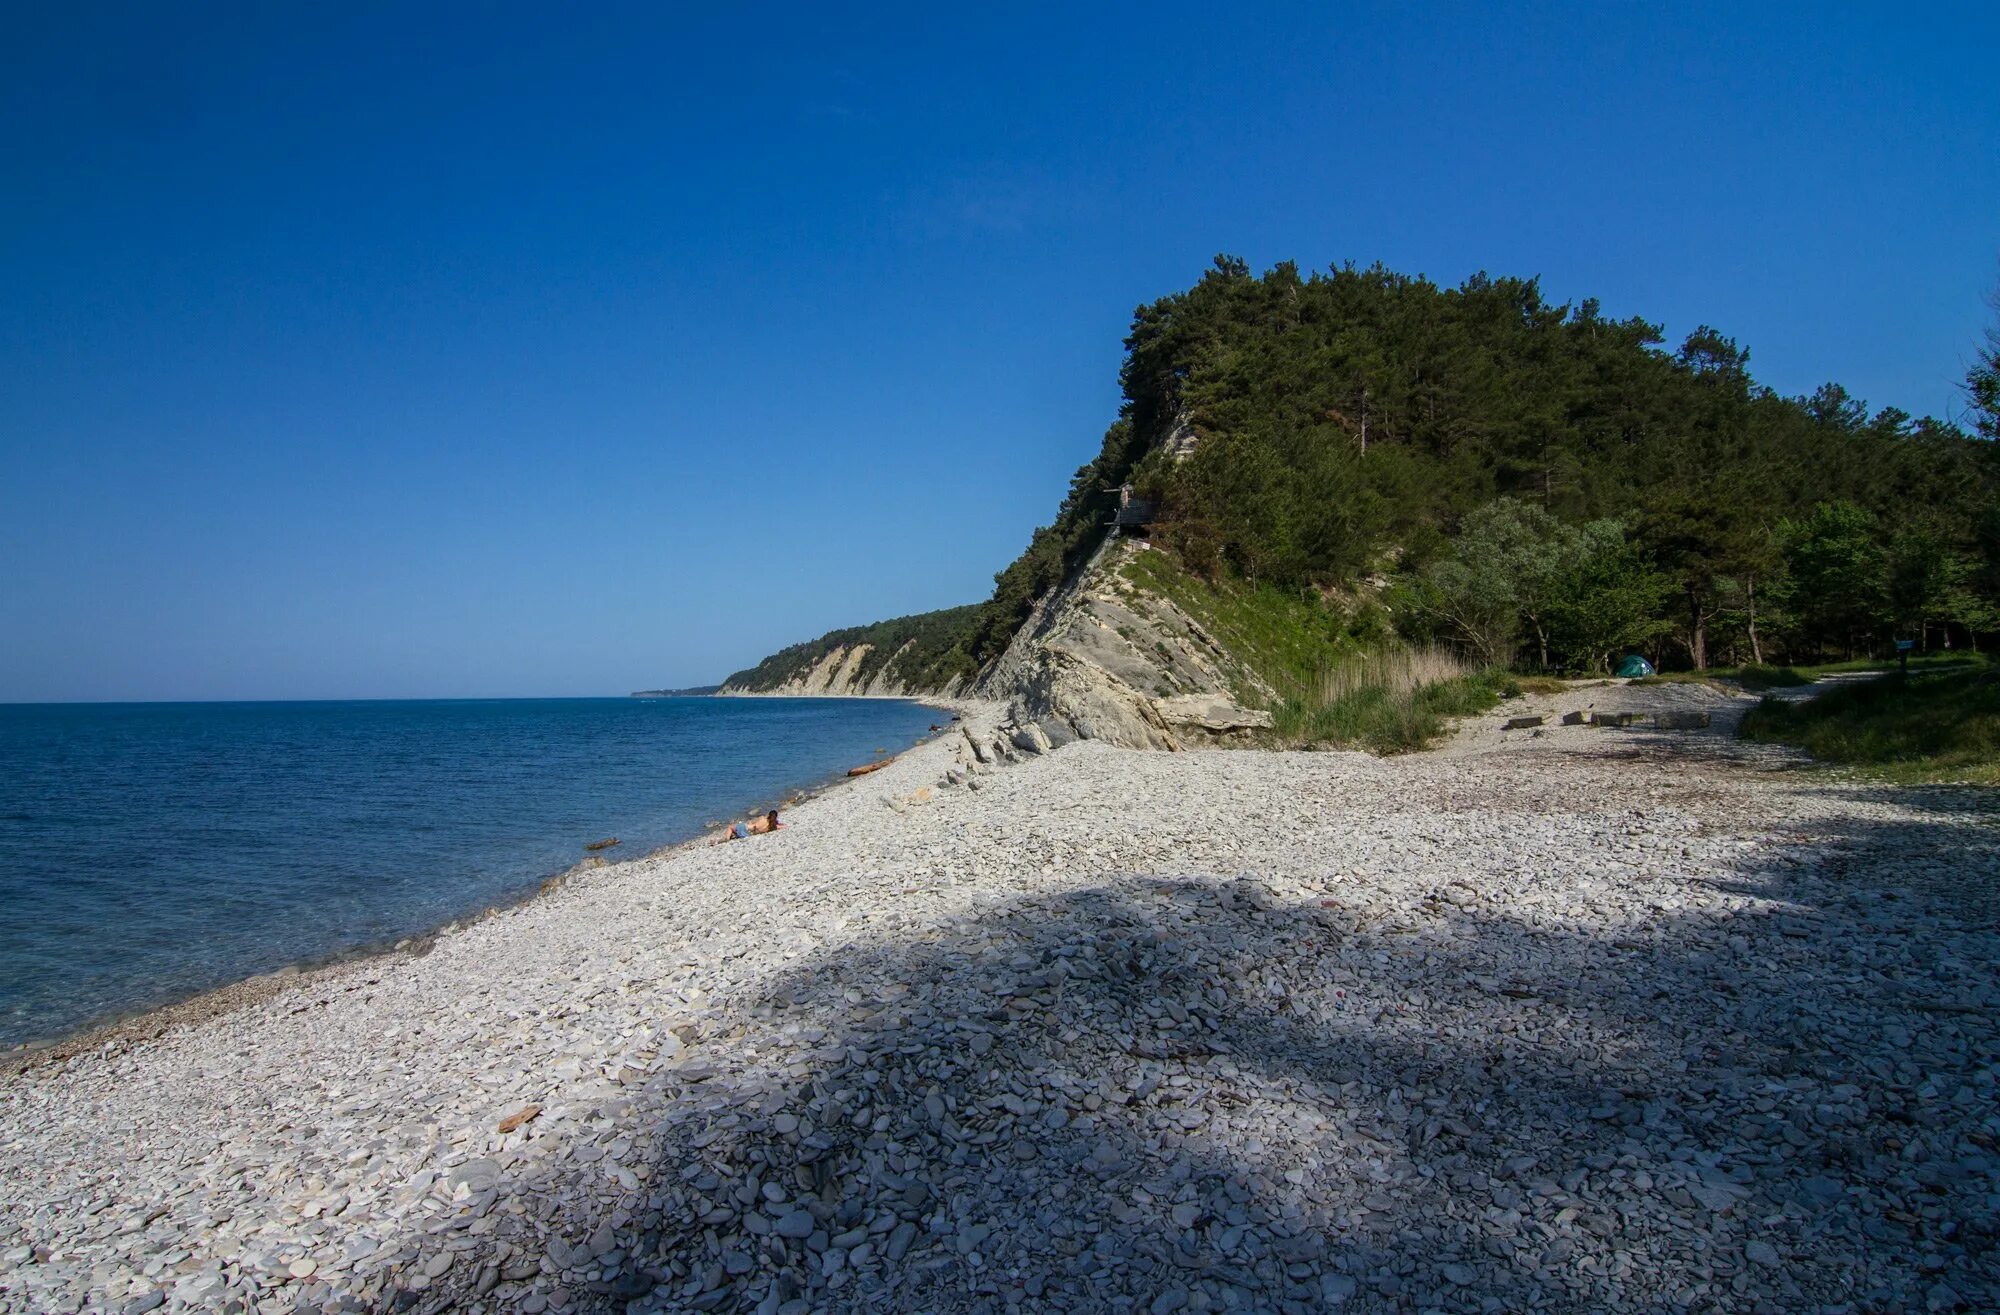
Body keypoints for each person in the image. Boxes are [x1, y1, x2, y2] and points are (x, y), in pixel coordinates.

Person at [717, 809, 785, 843]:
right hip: (749, 835)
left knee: (730, 827)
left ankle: (726, 839)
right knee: (735, 833)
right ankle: (731, 836)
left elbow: (753, 823)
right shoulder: (772, 827)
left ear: (769, 815)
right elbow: (784, 827)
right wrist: (780, 824)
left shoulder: (762, 818)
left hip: (746, 829)